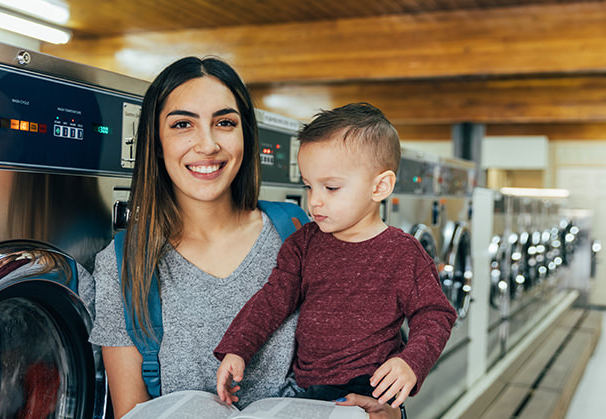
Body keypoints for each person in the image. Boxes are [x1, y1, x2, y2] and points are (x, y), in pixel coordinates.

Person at [88, 57, 404, 419]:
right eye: (182, 124)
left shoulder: (301, 231)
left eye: (224, 122)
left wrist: (387, 410)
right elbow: (131, 413)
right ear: (156, 142)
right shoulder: (124, 264)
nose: (207, 144)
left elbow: (377, 341)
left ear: (245, 135)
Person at [214, 103, 458, 410]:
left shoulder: (404, 253)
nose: (314, 201)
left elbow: (436, 314)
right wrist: (237, 349)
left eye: (331, 188)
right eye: (308, 186)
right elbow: (272, 300)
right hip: (304, 387)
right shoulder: (303, 243)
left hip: (371, 390)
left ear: (380, 186)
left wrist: (411, 362)